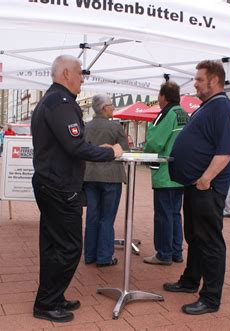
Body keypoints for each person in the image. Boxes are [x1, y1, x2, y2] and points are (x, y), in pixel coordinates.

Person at [30, 55, 123, 323]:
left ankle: (52, 297)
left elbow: (71, 143)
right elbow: (75, 146)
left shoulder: (51, 101)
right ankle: (47, 303)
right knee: (69, 247)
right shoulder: (61, 104)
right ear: (66, 73)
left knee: (52, 246)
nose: (83, 78)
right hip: (60, 187)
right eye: (80, 73)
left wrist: (98, 149)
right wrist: (110, 153)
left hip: (51, 183)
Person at [166, 60, 230, 315]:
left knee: (209, 242)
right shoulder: (207, 107)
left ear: (214, 80)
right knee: (195, 238)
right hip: (195, 185)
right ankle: (190, 281)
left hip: (206, 188)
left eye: (199, 79)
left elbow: (228, 149)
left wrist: (206, 178)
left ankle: (210, 298)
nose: (195, 83)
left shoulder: (222, 108)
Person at [143, 81, 189, 265]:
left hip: (165, 173)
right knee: (175, 214)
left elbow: (155, 142)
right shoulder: (185, 114)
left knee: (163, 215)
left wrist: (147, 150)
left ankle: (164, 253)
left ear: (163, 96)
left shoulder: (166, 114)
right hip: (181, 173)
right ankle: (176, 252)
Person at [83, 94, 128, 267]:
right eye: (111, 105)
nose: (113, 108)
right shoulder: (115, 127)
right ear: (103, 108)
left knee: (92, 216)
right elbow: (125, 150)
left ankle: (89, 255)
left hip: (90, 175)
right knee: (107, 218)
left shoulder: (86, 127)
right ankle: (104, 257)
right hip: (111, 175)